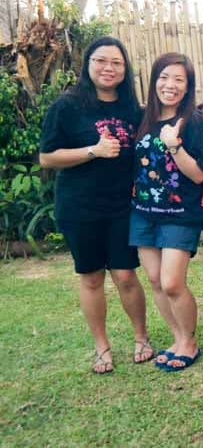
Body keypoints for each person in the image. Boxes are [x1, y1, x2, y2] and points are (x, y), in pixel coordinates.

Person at [39, 36, 152, 374]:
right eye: (101, 61)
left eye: (116, 62)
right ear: (88, 65)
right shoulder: (68, 106)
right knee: (90, 277)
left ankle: (141, 338)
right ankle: (101, 347)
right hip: (79, 207)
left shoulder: (132, 108)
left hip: (121, 206)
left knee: (125, 274)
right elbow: (47, 157)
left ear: (124, 68)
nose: (109, 68)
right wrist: (93, 150)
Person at [130, 53, 203, 372]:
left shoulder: (193, 123)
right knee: (155, 280)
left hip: (179, 213)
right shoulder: (142, 118)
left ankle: (189, 342)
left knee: (172, 282)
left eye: (179, 79)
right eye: (164, 77)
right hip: (142, 212)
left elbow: (199, 175)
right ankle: (176, 338)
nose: (170, 85)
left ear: (188, 86)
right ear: (154, 81)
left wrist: (174, 146)